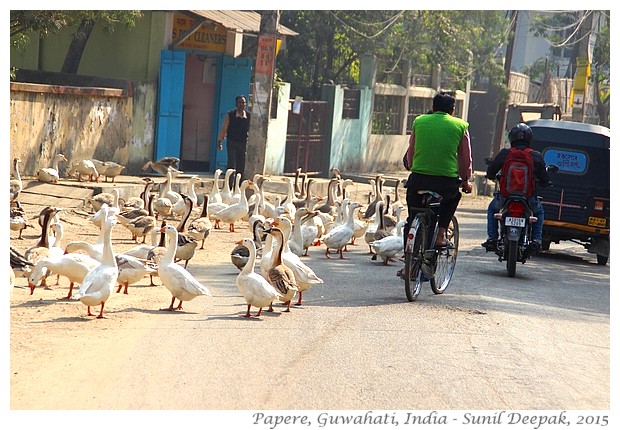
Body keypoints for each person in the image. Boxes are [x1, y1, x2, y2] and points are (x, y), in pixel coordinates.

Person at [401, 92, 473, 262]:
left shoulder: (419, 121)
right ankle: (441, 234)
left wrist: (412, 166)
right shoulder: (460, 126)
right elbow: (465, 158)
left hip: (418, 180)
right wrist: (465, 180)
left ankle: (408, 260)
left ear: (433, 108)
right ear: (452, 110)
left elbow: (411, 151)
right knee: (453, 197)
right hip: (445, 182)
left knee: (412, 218)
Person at [481, 123, 549, 257]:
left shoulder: (505, 153)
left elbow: (491, 171)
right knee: (539, 212)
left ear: (511, 138)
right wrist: (545, 183)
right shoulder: (536, 156)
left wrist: (491, 175)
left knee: (492, 209)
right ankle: (536, 239)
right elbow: (544, 178)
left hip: (506, 196)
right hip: (528, 197)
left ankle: (492, 238)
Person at [217, 95, 250, 188]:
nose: (241, 105)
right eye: (239, 103)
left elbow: (251, 131)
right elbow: (224, 128)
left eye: (243, 103)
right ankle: (228, 186)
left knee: (241, 165)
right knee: (231, 164)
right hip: (232, 142)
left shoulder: (249, 116)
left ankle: (238, 187)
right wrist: (220, 141)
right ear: (236, 104)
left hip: (243, 143)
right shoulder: (230, 115)